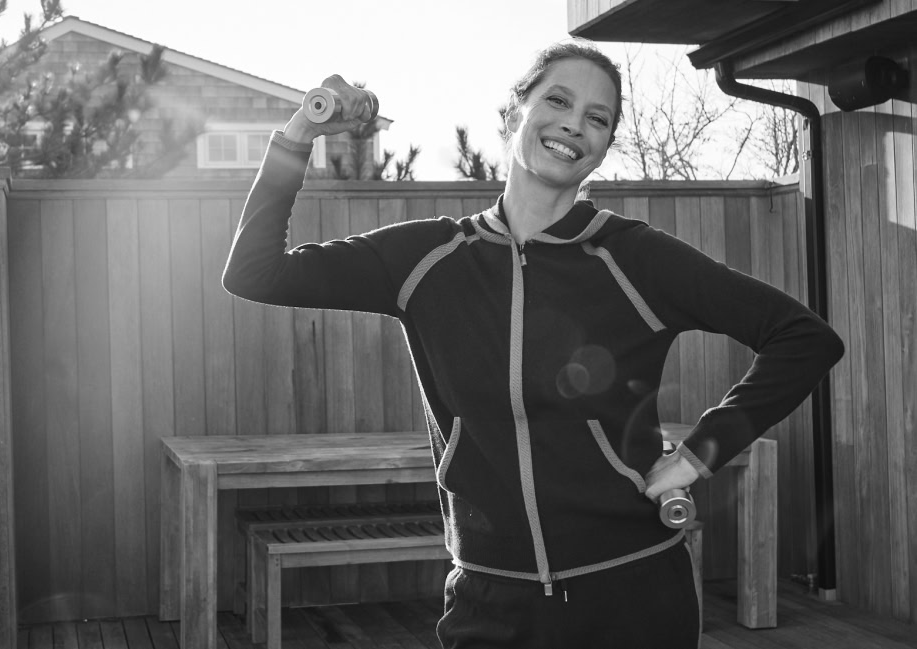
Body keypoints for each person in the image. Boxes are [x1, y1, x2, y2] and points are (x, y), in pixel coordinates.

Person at [222, 38, 844, 648]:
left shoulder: (634, 257)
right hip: (492, 601)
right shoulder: (426, 259)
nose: (573, 125)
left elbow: (803, 338)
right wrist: (300, 133)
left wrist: (698, 454)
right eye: (557, 102)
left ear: (602, 148)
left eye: (596, 119)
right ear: (513, 114)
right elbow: (255, 273)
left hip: (633, 594)